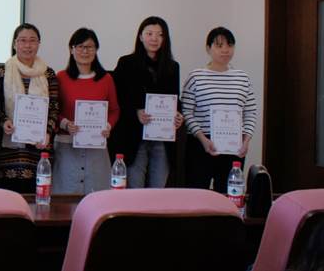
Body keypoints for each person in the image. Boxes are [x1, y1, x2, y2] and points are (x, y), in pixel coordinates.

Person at [111, 16, 184, 188]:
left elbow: (174, 99)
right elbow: (117, 99)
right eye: (149, 33)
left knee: (158, 189)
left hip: (162, 137)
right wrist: (135, 112)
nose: (154, 38)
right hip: (135, 137)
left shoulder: (173, 67)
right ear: (140, 36)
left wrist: (178, 115)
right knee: (135, 189)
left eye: (160, 34)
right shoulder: (126, 63)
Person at [182, 27, 257, 193]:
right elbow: (186, 111)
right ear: (208, 48)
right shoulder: (196, 76)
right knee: (197, 193)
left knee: (229, 194)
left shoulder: (242, 78)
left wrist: (246, 140)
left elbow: (250, 112)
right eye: (219, 45)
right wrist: (202, 139)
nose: (225, 50)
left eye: (230, 45)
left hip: (233, 144)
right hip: (201, 144)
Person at [53, 28, 119, 195]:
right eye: (80, 46)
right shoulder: (61, 77)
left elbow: (114, 110)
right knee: (66, 195)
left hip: (96, 146)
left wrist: (108, 126)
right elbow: (53, 110)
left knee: (97, 196)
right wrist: (66, 124)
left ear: (96, 50)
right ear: (71, 49)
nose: (85, 51)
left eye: (90, 47)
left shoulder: (106, 79)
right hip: (67, 145)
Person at [0, 23, 59, 193]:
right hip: (6, 150)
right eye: (22, 40)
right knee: (7, 200)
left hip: (38, 148)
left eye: (32, 40)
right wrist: (3, 121)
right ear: (15, 43)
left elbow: (54, 108)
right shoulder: (0, 72)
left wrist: (47, 132)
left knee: (36, 199)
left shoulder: (48, 73)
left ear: (39, 44)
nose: (27, 45)